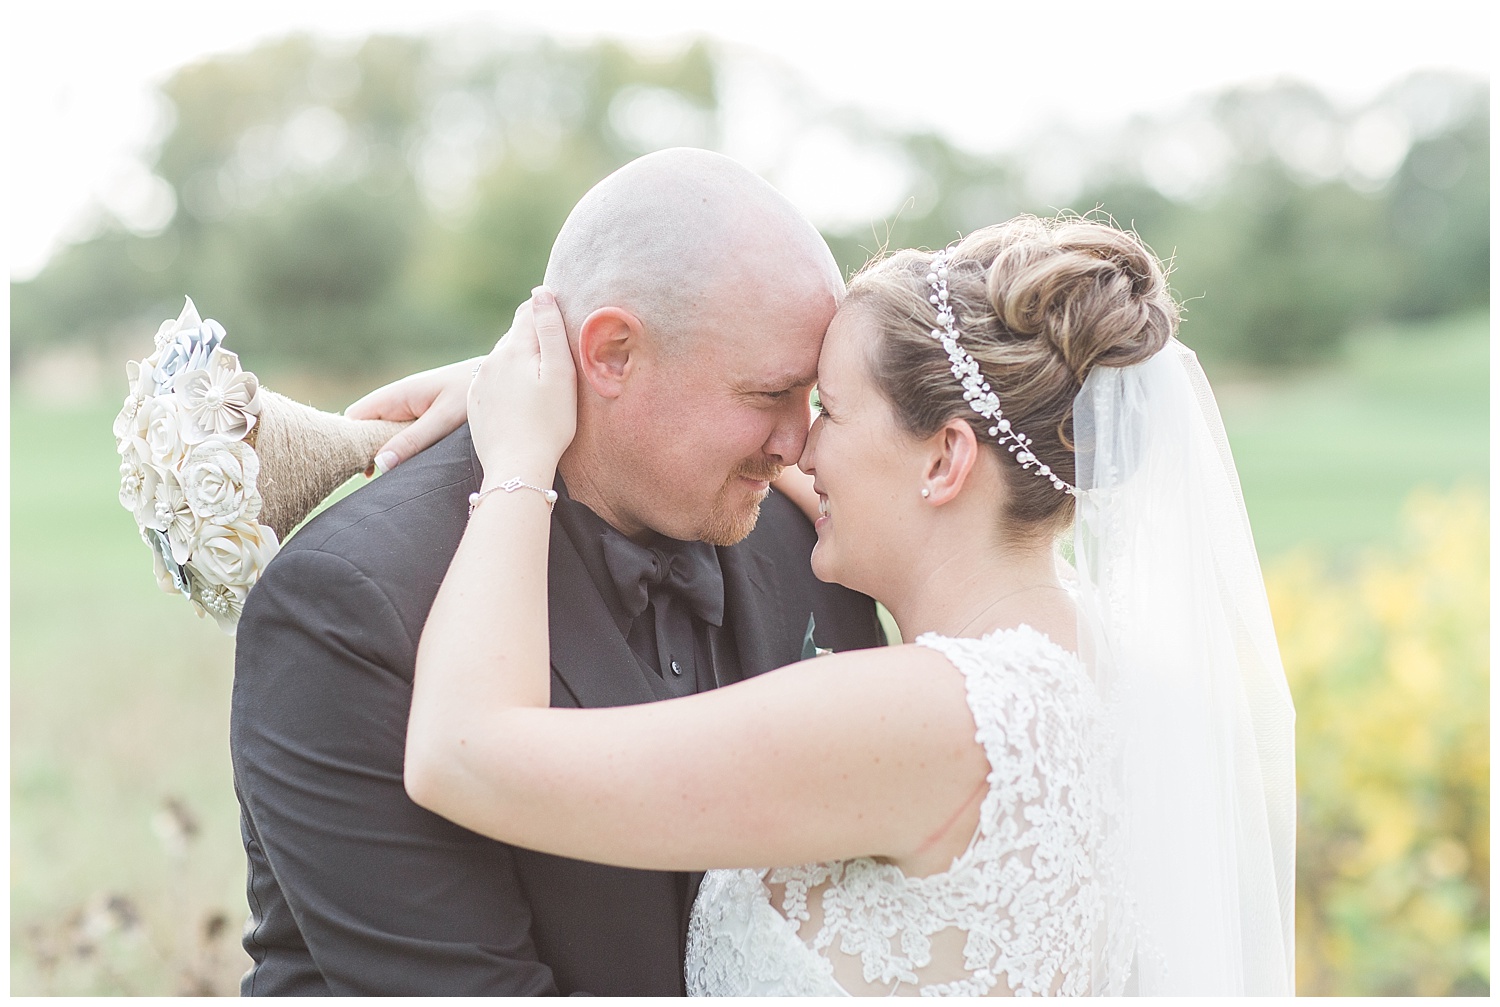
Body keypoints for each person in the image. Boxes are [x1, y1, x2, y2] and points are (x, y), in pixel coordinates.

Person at [390, 214, 1297, 995]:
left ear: (944, 461)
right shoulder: (1107, 660)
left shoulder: (932, 712)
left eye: (830, 409)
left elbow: (460, 756)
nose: (798, 446)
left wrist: (520, 454)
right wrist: (596, 393)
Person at [228, 148, 885, 996]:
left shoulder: (813, 534)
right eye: (768, 395)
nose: (800, 445)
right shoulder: (347, 606)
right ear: (610, 353)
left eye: (816, 400)